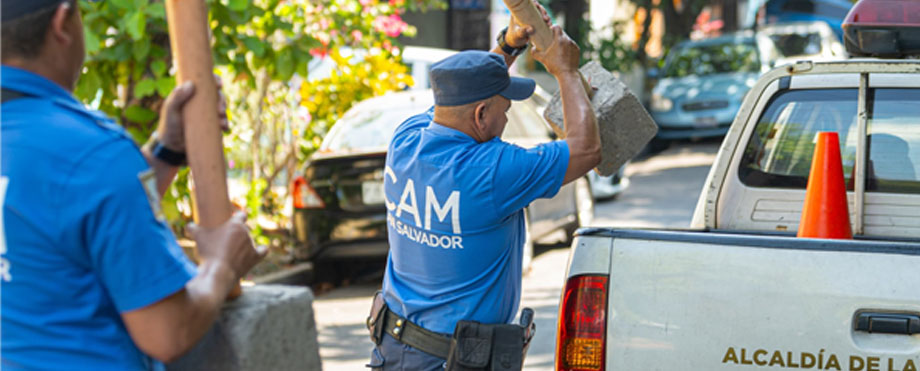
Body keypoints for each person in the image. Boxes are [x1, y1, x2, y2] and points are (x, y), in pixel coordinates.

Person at [0, 0, 265, 369]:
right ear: (62, 23)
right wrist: (221, 265)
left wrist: (165, 152)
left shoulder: (74, 157)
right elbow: (167, 333)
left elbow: (52, 217)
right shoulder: (90, 151)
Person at [366, 3, 600, 369]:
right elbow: (586, 150)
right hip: (451, 361)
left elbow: (457, 96)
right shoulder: (491, 171)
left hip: (393, 349)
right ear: (480, 115)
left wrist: (507, 46)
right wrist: (566, 72)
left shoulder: (406, 140)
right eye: (505, 109)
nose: (507, 118)